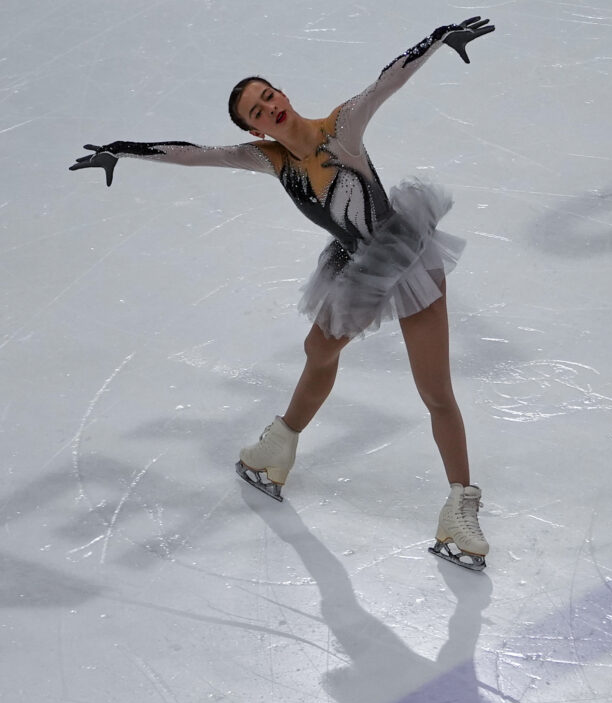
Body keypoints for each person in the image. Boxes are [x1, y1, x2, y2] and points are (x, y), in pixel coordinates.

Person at [70, 18, 495, 571]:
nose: (269, 107)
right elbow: (195, 154)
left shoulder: (340, 128)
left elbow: (386, 82)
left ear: (283, 95)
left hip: (404, 258)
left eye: (268, 96)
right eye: (256, 110)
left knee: (435, 393)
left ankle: (460, 507)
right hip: (354, 267)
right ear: (255, 130)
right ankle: (279, 444)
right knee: (319, 353)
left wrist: (438, 39)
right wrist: (121, 151)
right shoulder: (270, 160)